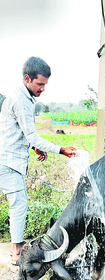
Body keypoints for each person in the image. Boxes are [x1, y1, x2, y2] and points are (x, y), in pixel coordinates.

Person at [0, 56, 77, 264]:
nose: (43, 89)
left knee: (18, 203)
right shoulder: (20, 100)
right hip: (7, 161)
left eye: (45, 84)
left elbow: (18, 131)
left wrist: (34, 148)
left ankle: (17, 246)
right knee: (19, 204)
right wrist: (61, 149)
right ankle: (17, 254)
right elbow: (32, 135)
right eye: (40, 84)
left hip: (10, 157)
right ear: (27, 78)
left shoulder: (24, 96)